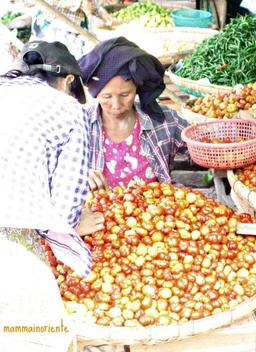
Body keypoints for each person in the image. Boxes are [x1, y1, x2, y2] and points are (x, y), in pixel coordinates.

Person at [0, 40, 103, 350]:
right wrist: (75, 222)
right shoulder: (69, 109)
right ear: (69, 81)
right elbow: (67, 202)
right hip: (8, 234)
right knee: (36, 333)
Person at [78, 36, 189, 191]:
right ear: (95, 94)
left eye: (125, 95)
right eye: (107, 97)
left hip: (156, 210)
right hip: (97, 211)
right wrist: (80, 176)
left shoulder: (163, 120)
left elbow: (200, 146)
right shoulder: (79, 125)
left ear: (136, 88)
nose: (116, 105)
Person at [30, 0, 114, 58]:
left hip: (77, 26)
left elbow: (90, 3)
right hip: (56, 25)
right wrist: (78, 3)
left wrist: (99, 10)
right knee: (60, 64)